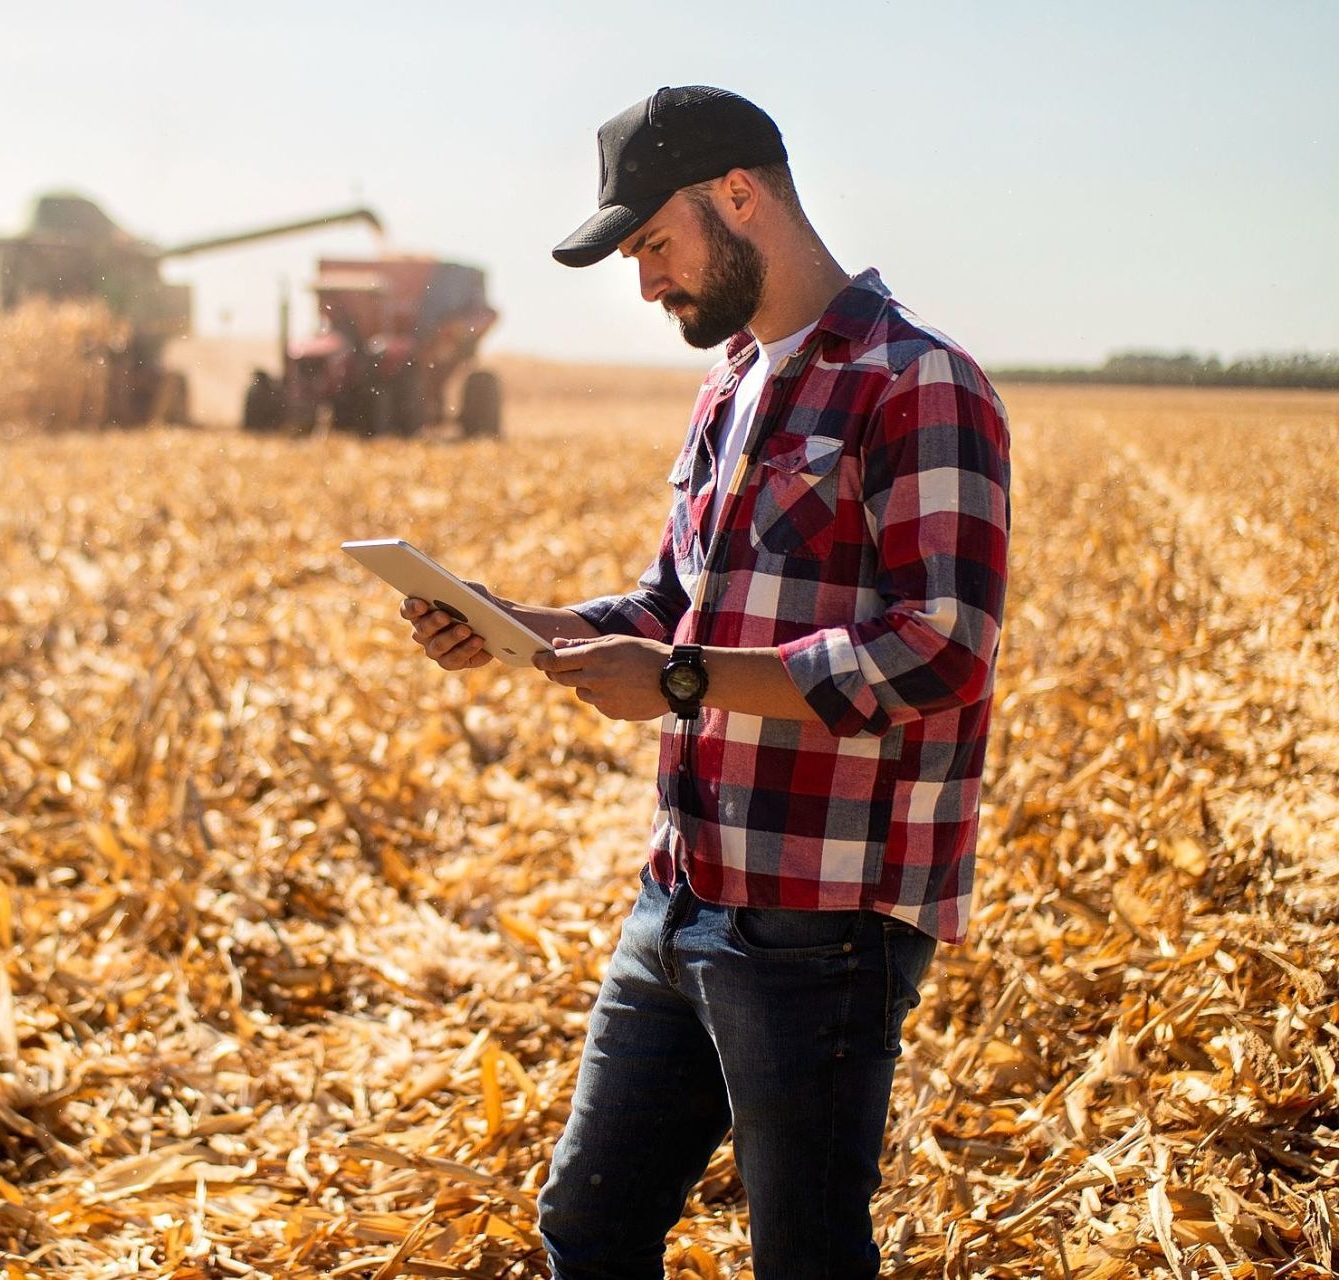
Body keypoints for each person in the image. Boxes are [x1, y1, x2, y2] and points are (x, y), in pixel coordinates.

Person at [398, 86, 1010, 1279]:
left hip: (823, 915)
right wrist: (525, 625)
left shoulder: (917, 379)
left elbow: (943, 644)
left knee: (803, 1253)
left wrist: (678, 680)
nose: (646, 284)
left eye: (653, 245)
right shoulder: (731, 385)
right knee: (588, 1225)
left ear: (741, 196)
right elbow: (678, 603)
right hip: (679, 891)